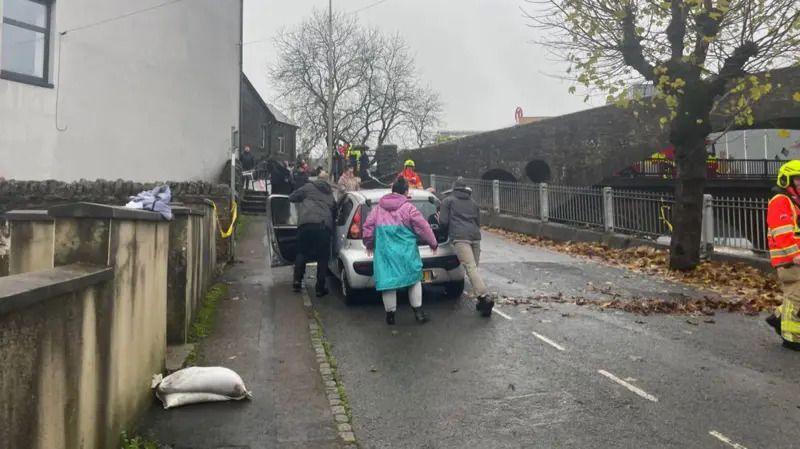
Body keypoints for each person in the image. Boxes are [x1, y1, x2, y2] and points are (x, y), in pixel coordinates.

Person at [363, 177, 438, 325]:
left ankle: (390, 316)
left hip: (385, 253)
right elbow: (423, 228)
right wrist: (433, 243)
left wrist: (369, 244)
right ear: (405, 192)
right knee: (414, 280)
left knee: (388, 282)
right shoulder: (408, 208)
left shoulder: (377, 209)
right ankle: (418, 313)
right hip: (406, 252)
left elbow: (367, 229)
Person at [440, 177, 493, 316]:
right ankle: (481, 303)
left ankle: (484, 297)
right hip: (475, 237)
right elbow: (478, 222)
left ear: (453, 189)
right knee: (474, 268)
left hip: (460, 237)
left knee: (470, 268)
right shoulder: (473, 203)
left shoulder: (448, 201)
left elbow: (443, 222)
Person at [766, 160, 800, 350]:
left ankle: (779, 317)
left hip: (794, 258)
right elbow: (783, 232)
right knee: (796, 298)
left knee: (795, 296)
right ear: (787, 180)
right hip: (790, 260)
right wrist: (795, 254)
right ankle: (791, 337)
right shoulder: (781, 200)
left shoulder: (793, 201)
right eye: (798, 179)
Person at [289, 172, 337, 297]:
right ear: (327, 181)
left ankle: (297, 281)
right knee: (322, 257)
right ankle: (320, 288)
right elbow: (335, 211)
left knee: (301, 252)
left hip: (306, 224)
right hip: (323, 227)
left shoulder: (308, 187)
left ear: (317, 179)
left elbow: (292, 197)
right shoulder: (330, 194)